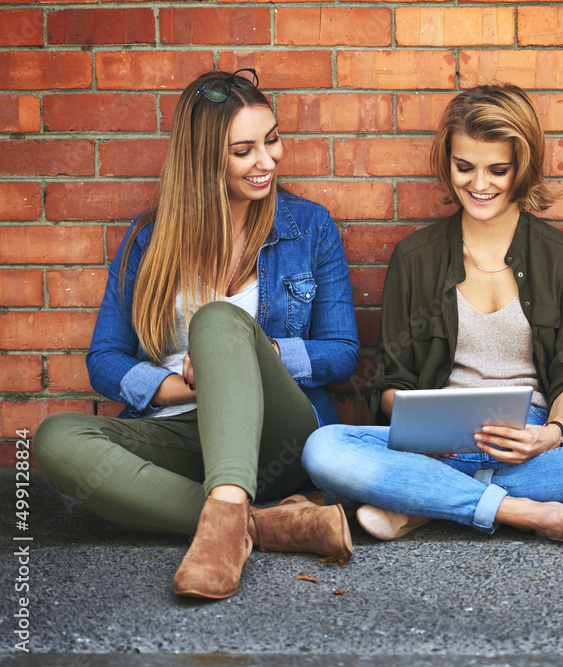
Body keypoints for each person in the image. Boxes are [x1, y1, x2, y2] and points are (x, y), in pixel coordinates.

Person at [34, 69, 360, 599]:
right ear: (205, 157)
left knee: (218, 319)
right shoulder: (149, 239)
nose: (268, 160)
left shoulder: (309, 226)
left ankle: (229, 511)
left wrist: (257, 355)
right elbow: (105, 359)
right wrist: (185, 387)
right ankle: (260, 524)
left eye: (272, 140)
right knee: (57, 440)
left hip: (272, 436)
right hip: (180, 429)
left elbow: (343, 353)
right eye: (244, 150)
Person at [302, 84, 563, 548]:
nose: (478, 184)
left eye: (498, 170)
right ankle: (528, 513)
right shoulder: (415, 257)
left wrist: (550, 436)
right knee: (324, 450)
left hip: (529, 449)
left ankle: (422, 506)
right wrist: (427, 431)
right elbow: (388, 384)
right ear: (447, 161)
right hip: (436, 452)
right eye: (464, 167)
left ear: (523, 167)